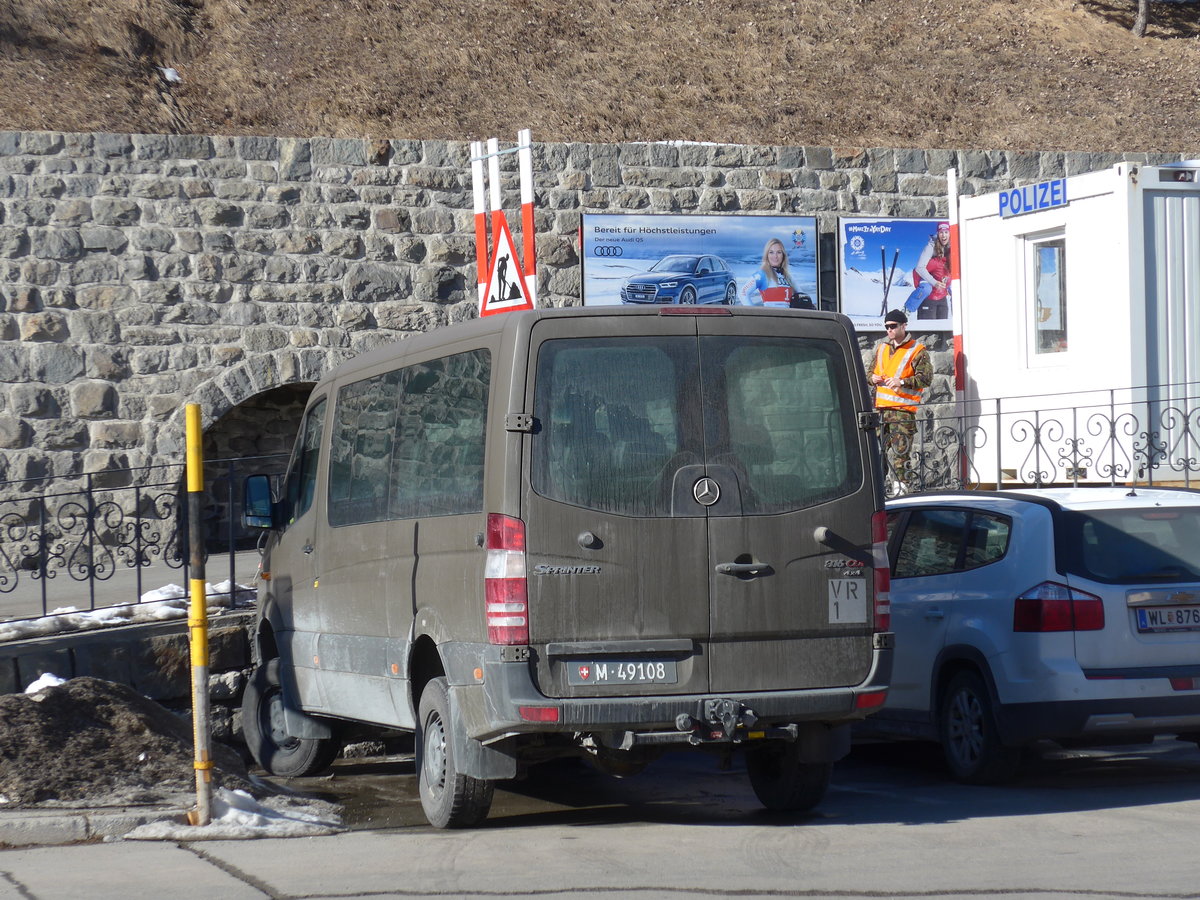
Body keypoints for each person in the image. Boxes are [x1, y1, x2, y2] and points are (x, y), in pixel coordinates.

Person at [868, 309, 932, 493]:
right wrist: (872, 378)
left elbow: (926, 378)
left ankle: (900, 490)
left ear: (904, 326)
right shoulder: (882, 348)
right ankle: (877, 488)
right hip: (882, 411)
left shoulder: (917, 350)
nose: (889, 330)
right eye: (887, 326)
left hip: (903, 411)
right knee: (877, 451)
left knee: (900, 452)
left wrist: (901, 381)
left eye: (893, 326)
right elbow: (869, 374)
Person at [742, 238, 815, 309]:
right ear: (767, 255)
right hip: (771, 319)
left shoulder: (788, 277)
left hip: (788, 319)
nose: (775, 256)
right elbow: (743, 293)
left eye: (779, 252)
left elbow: (802, 296)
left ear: (783, 255)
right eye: (771, 252)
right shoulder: (761, 275)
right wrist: (755, 315)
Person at [903, 222, 951, 319]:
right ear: (938, 234)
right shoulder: (931, 247)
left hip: (942, 276)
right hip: (927, 276)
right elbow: (919, 268)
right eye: (941, 232)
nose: (944, 235)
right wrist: (934, 282)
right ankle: (906, 310)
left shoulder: (952, 247)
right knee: (926, 288)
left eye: (946, 232)